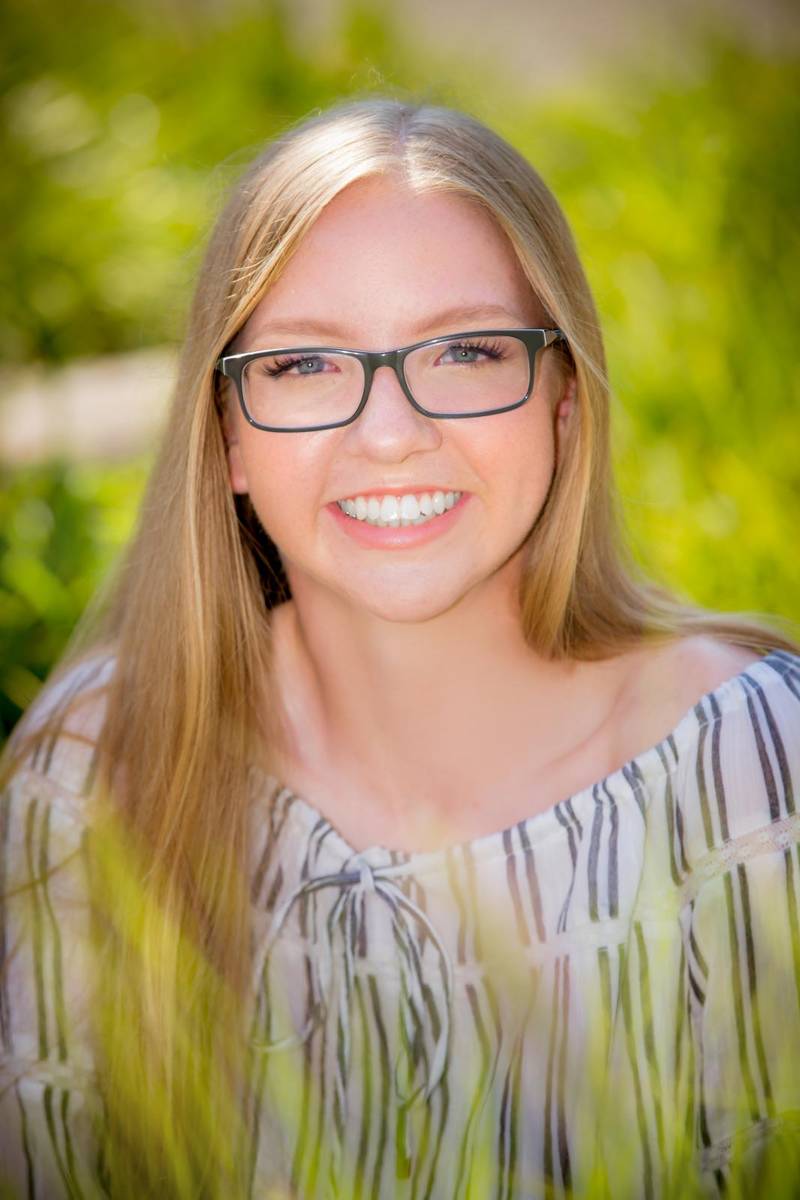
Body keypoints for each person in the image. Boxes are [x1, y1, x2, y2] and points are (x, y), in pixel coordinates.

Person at [1, 98, 799, 1200]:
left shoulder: (749, 775)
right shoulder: (103, 768)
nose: (389, 432)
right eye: (302, 367)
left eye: (465, 350)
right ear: (225, 433)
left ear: (563, 402)